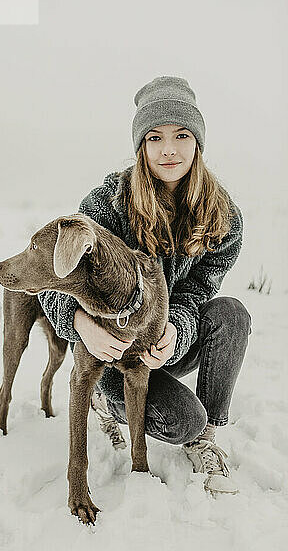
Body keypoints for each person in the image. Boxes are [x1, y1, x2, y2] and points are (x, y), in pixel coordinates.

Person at [38, 75, 252, 497]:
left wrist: (178, 331)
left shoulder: (224, 217)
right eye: (155, 137)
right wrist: (81, 323)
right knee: (180, 420)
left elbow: (198, 293)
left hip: (164, 346)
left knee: (231, 313)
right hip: (116, 356)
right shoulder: (107, 205)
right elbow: (54, 280)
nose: (168, 149)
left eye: (182, 134)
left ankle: (205, 438)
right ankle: (106, 400)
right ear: (141, 146)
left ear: (198, 142)